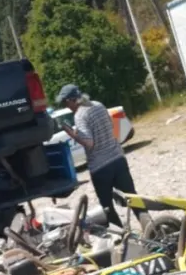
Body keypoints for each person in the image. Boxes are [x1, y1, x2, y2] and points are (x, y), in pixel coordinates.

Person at [56, 84, 144, 229]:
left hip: (100, 167)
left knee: (107, 206)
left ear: (72, 100)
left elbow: (89, 143)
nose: (66, 106)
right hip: (118, 158)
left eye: (66, 102)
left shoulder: (80, 115)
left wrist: (71, 133)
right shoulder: (98, 105)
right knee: (133, 197)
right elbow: (110, 127)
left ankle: (121, 238)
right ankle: (150, 228)